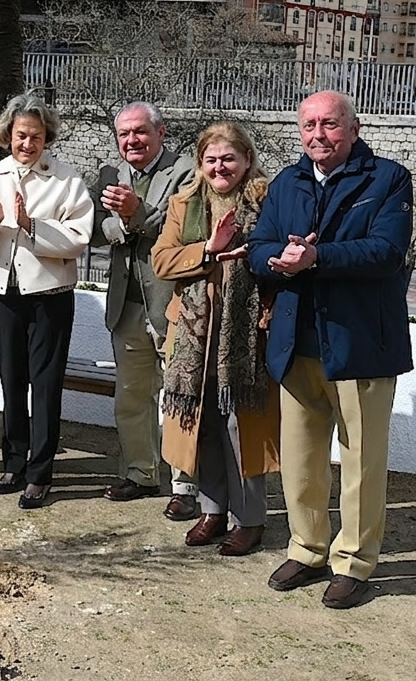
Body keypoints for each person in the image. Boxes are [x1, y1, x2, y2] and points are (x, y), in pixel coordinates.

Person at [249, 91, 413, 609]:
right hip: (298, 343)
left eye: (330, 124)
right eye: (309, 125)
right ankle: (308, 547)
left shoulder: (388, 178)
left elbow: (387, 251)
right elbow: (258, 248)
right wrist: (280, 258)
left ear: (354, 127)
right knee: (301, 459)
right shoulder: (286, 181)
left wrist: (316, 257)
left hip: (360, 341)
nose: (318, 134)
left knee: (362, 461)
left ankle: (355, 562)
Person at [0, 94, 93, 508]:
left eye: (35, 136)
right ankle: (13, 462)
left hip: (49, 296)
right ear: (7, 135)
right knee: (12, 380)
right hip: (2, 293)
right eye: (20, 136)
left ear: (47, 137)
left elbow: (79, 239)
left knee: (45, 385)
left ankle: (40, 472)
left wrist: (33, 225)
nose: (27, 144)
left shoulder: (68, 180)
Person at [151, 122, 281, 556]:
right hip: (193, 333)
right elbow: (162, 262)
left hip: (246, 333)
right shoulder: (183, 202)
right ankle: (212, 509)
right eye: (212, 159)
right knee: (202, 418)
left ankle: (250, 519)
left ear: (247, 159)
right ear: (200, 163)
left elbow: (279, 255)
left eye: (229, 158)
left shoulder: (267, 200)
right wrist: (208, 248)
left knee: (238, 422)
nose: (220, 167)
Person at [91, 101, 200, 519]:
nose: (131, 140)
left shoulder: (187, 171)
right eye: (124, 134)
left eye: (140, 132)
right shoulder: (109, 174)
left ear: (161, 132)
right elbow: (97, 229)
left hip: (174, 303)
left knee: (179, 396)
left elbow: (186, 229)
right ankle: (141, 473)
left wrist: (136, 215)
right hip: (126, 303)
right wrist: (122, 224)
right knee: (132, 396)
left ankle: (185, 485)